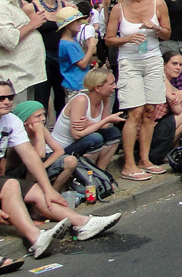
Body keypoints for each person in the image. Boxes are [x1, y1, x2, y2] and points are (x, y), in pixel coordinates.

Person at [0, 78, 121, 258]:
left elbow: (31, 156)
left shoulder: (11, 120)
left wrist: (49, 189)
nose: (7, 101)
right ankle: (36, 238)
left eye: (10, 97)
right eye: (1, 98)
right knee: (11, 185)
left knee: (36, 190)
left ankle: (82, 224)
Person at [105, 0, 171, 181]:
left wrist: (156, 28)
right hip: (129, 62)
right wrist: (127, 39)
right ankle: (128, 164)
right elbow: (108, 39)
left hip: (152, 59)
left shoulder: (158, 4)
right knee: (134, 112)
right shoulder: (118, 8)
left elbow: (167, 34)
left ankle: (145, 159)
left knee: (150, 111)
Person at [51, 68, 123, 169]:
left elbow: (105, 126)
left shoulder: (105, 99)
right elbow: (77, 134)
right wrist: (106, 120)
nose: (115, 86)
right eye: (111, 84)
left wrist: (90, 124)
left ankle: (101, 172)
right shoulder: (81, 100)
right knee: (96, 138)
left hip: (82, 141)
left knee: (114, 133)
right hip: (63, 149)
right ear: (98, 87)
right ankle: (90, 173)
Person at [0, 0, 48, 103]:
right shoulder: (1, 5)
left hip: (28, 77)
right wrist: (33, 24)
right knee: (18, 122)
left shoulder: (13, 2)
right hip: (15, 80)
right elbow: (8, 40)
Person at [31, 0, 70, 120]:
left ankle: (61, 135)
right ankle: (38, 133)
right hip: (42, 57)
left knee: (62, 98)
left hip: (61, 56)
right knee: (41, 99)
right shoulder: (32, 7)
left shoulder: (65, 5)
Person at [56, 5, 97, 102]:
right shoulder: (68, 44)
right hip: (76, 84)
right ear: (68, 24)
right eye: (77, 21)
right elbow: (82, 64)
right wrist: (91, 48)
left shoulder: (72, 40)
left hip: (79, 83)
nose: (80, 23)